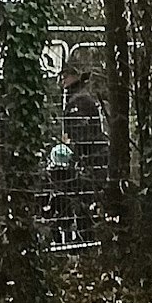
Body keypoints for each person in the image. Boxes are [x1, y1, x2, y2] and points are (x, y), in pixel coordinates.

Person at [59, 65, 105, 240]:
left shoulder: (79, 101)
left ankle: (87, 241)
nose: (62, 80)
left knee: (86, 200)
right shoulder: (80, 96)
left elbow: (82, 133)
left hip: (90, 157)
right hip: (91, 155)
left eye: (65, 75)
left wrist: (74, 147)